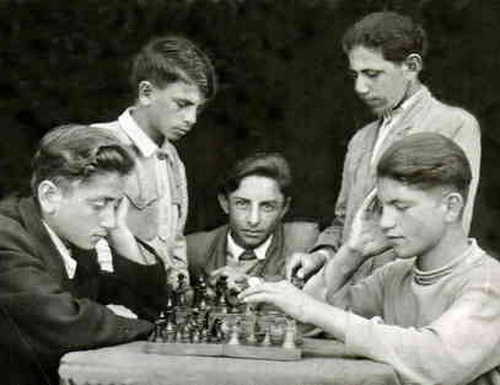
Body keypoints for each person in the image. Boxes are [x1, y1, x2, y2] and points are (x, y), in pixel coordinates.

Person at [240, 133, 500, 385]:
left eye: (400, 207)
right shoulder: (395, 275)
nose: (385, 222)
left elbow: (437, 362)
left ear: (451, 207)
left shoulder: (489, 283)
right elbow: (306, 326)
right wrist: (353, 251)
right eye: (382, 207)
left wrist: (313, 310)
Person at [288, 11, 481, 292]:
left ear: (411, 66)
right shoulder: (360, 140)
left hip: (408, 300)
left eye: (372, 74)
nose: (360, 88)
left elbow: (451, 229)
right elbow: (344, 222)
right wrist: (320, 254)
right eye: (355, 75)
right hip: (348, 301)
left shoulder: (454, 125)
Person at [0, 125, 166, 385]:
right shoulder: (5, 235)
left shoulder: (74, 235)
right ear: (50, 195)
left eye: (117, 204)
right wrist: (134, 324)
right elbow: (61, 322)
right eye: (99, 204)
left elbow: (148, 307)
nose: (109, 220)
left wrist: (121, 232)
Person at [93, 35, 217, 287]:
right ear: (146, 93)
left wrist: (180, 290)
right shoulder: (96, 144)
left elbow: (175, 242)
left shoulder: (173, 159)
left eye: (198, 109)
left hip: (158, 305)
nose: (191, 119)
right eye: (182, 104)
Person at [187, 152, 319, 287]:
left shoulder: (303, 243)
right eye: (242, 204)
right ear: (225, 203)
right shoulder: (194, 250)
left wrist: (251, 284)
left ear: (284, 208)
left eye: (267, 207)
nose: (253, 220)